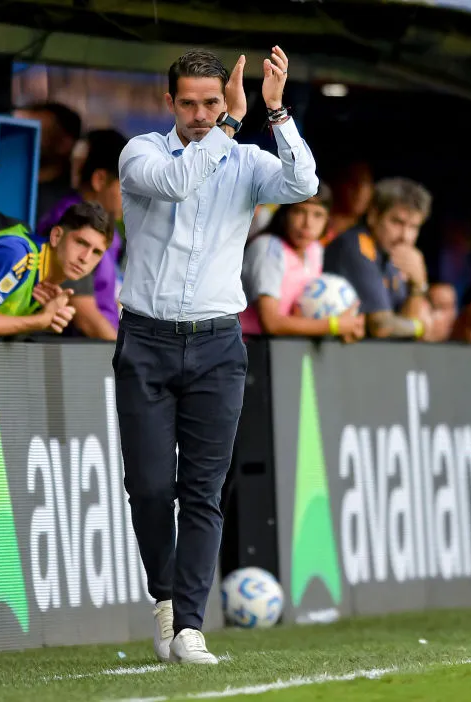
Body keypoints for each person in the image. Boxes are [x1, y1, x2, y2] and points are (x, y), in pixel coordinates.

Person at [116, 46, 317, 664]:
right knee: (149, 488)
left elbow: (303, 183)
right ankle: (166, 597)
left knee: (202, 491)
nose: (205, 115)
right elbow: (180, 182)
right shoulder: (142, 153)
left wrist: (275, 113)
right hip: (146, 340)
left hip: (218, 345)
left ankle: (190, 627)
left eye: (214, 103)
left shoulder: (247, 159)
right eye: (193, 103)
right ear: (169, 101)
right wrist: (233, 119)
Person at [323, 177, 449, 341]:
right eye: (397, 222)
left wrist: (417, 285)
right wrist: (421, 327)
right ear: (373, 216)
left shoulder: (392, 256)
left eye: (413, 227)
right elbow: (381, 326)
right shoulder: (357, 246)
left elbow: (404, 327)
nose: (405, 236)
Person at [0, 201, 113, 337]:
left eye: (96, 252)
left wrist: (45, 318)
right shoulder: (17, 254)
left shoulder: (43, 279)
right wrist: (41, 320)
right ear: (56, 236)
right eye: (80, 242)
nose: (85, 258)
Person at [36, 129, 129, 340]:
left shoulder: (109, 230)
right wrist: (127, 360)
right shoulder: (69, 222)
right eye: (126, 187)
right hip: (78, 356)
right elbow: (85, 316)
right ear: (99, 179)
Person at [239, 182, 363, 341]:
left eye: (318, 215)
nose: (307, 224)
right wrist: (333, 325)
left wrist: (348, 326)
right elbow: (271, 323)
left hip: (288, 350)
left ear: (327, 221)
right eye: (299, 211)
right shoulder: (268, 248)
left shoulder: (314, 250)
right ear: (284, 214)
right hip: (252, 351)